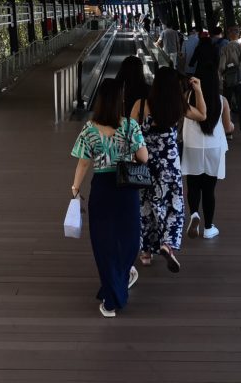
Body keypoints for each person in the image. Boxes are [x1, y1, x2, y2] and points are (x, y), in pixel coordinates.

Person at [70, 78, 148, 317]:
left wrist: (75, 188)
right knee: (129, 239)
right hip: (127, 189)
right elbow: (144, 157)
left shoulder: (89, 128)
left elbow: (84, 163)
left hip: (102, 189)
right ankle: (118, 285)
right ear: (119, 100)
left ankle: (111, 295)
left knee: (103, 242)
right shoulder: (131, 126)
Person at [131, 68, 206, 272]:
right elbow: (202, 115)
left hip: (145, 163)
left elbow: (130, 133)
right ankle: (167, 244)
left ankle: (146, 252)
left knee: (146, 206)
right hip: (169, 165)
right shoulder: (177, 105)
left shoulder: (141, 105)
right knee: (174, 206)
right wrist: (198, 90)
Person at [182, 70, 233, 239]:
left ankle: (194, 214)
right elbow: (228, 128)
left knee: (193, 184)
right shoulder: (222, 101)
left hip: (192, 146)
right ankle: (209, 228)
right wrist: (232, 126)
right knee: (209, 190)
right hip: (214, 148)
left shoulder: (187, 96)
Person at [219, 26, 241, 145]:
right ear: (238, 35)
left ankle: (229, 132)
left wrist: (221, 78)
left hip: (228, 82)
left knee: (227, 107)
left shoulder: (225, 49)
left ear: (229, 35)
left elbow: (221, 67)